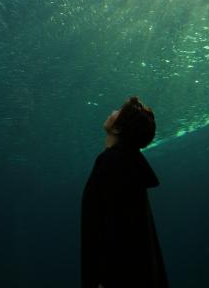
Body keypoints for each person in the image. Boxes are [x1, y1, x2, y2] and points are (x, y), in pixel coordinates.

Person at [81, 96, 169, 288]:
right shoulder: (131, 166)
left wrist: (104, 278)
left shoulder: (112, 163)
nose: (112, 111)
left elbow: (111, 223)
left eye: (118, 111)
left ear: (118, 128)